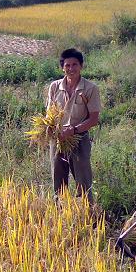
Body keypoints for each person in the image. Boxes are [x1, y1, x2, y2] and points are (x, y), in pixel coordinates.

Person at [45, 48, 101, 198]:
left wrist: (74, 130)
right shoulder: (55, 87)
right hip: (57, 140)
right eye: (67, 65)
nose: (71, 69)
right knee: (58, 180)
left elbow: (94, 119)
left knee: (83, 181)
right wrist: (49, 129)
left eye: (74, 65)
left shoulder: (90, 88)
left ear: (81, 66)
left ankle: (87, 213)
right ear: (62, 67)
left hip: (79, 139)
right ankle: (60, 211)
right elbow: (49, 114)